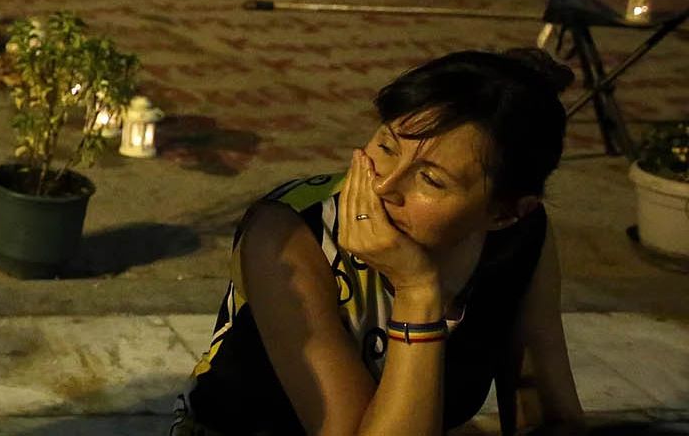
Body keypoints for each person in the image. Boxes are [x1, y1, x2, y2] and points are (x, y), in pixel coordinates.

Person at [176, 49, 586, 436]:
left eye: (431, 179)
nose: (385, 184)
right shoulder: (290, 233)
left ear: (504, 213)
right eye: (387, 147)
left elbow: (545, 411)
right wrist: (417, 292)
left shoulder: (518, 238)